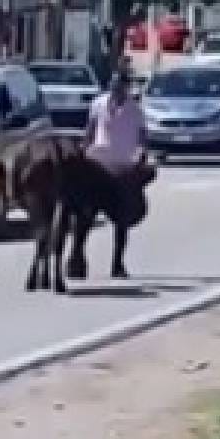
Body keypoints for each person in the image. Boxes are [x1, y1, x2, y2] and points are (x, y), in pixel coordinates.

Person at [69, 62, 155, 279]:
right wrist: (82, 150)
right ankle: (76, 257)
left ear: (126, 88)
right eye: (114, 85)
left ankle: (117, 263)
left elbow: (142, 139)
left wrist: (139, 157)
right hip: (97, 162)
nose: (116, 90)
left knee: (123, 216)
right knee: (83, 213)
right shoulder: (98, 104)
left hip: (122, 166)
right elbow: (89, 132)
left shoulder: (136, 111)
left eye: (120, 86)